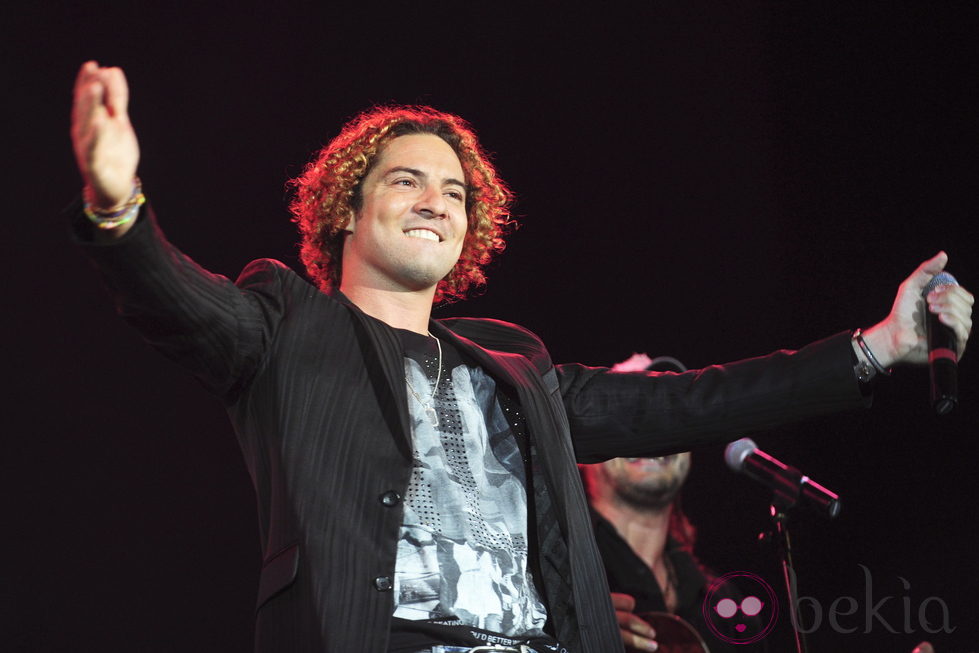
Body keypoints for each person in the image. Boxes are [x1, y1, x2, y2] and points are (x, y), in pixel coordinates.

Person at [70, 61, 973, 653]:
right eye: (406, 181)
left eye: (455, 192)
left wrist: (878, 346)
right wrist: (118, 206)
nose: (436, 201)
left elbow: (689, 403)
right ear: (346, 208)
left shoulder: (512, 361)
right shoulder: (288, 326)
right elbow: (174, 298)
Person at [581, 355, 757, 653]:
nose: (654, 432)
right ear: (585, 446)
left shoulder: (725, 606)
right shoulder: (551, 572)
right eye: (631, 414)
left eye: (670, 418)